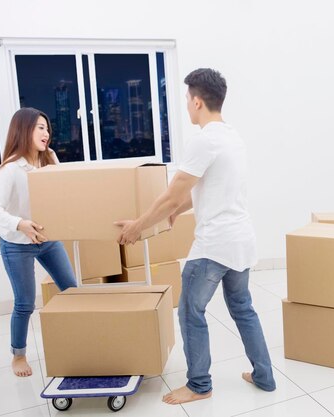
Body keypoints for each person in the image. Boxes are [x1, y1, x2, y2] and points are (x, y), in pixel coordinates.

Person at [116, 68, 276, 404]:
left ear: (198, 101)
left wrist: (137, 226)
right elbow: (208, 187)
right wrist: (179, 211)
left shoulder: (204, 140)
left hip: (214, 246)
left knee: (190, 311)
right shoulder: (232, 136)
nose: (187, 105)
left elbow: (173, 194)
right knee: (243, 308)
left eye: (188, 99)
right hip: (241, 240)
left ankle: (199, 385)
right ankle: (264, 375)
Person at [0, 107, 77, 377]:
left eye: (47, 128)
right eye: (40, 127)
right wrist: (19, 223)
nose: (46, 133)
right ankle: (18, 355)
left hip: (46, 239)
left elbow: (59, 192)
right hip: (16, 244)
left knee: (71, 290)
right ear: (24, 130)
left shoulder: (49, 158)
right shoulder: (11, 169)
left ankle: (77, 338)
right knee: (25, 303)